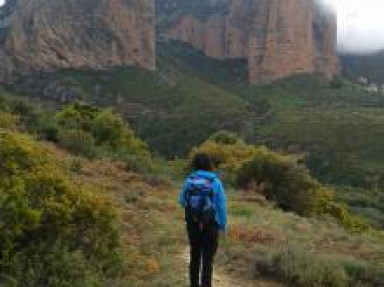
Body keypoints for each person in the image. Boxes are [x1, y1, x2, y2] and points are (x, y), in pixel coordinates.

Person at [179, 153, 227, 287]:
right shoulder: (215, 182)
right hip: (211, 224)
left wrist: (194, 207)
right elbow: (221, 205)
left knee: (195, 257)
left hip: (193, 223)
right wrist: (222, 225)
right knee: (208, 260)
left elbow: (182, 201)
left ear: (194, 164)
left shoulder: (189, 181)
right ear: (208, 164)